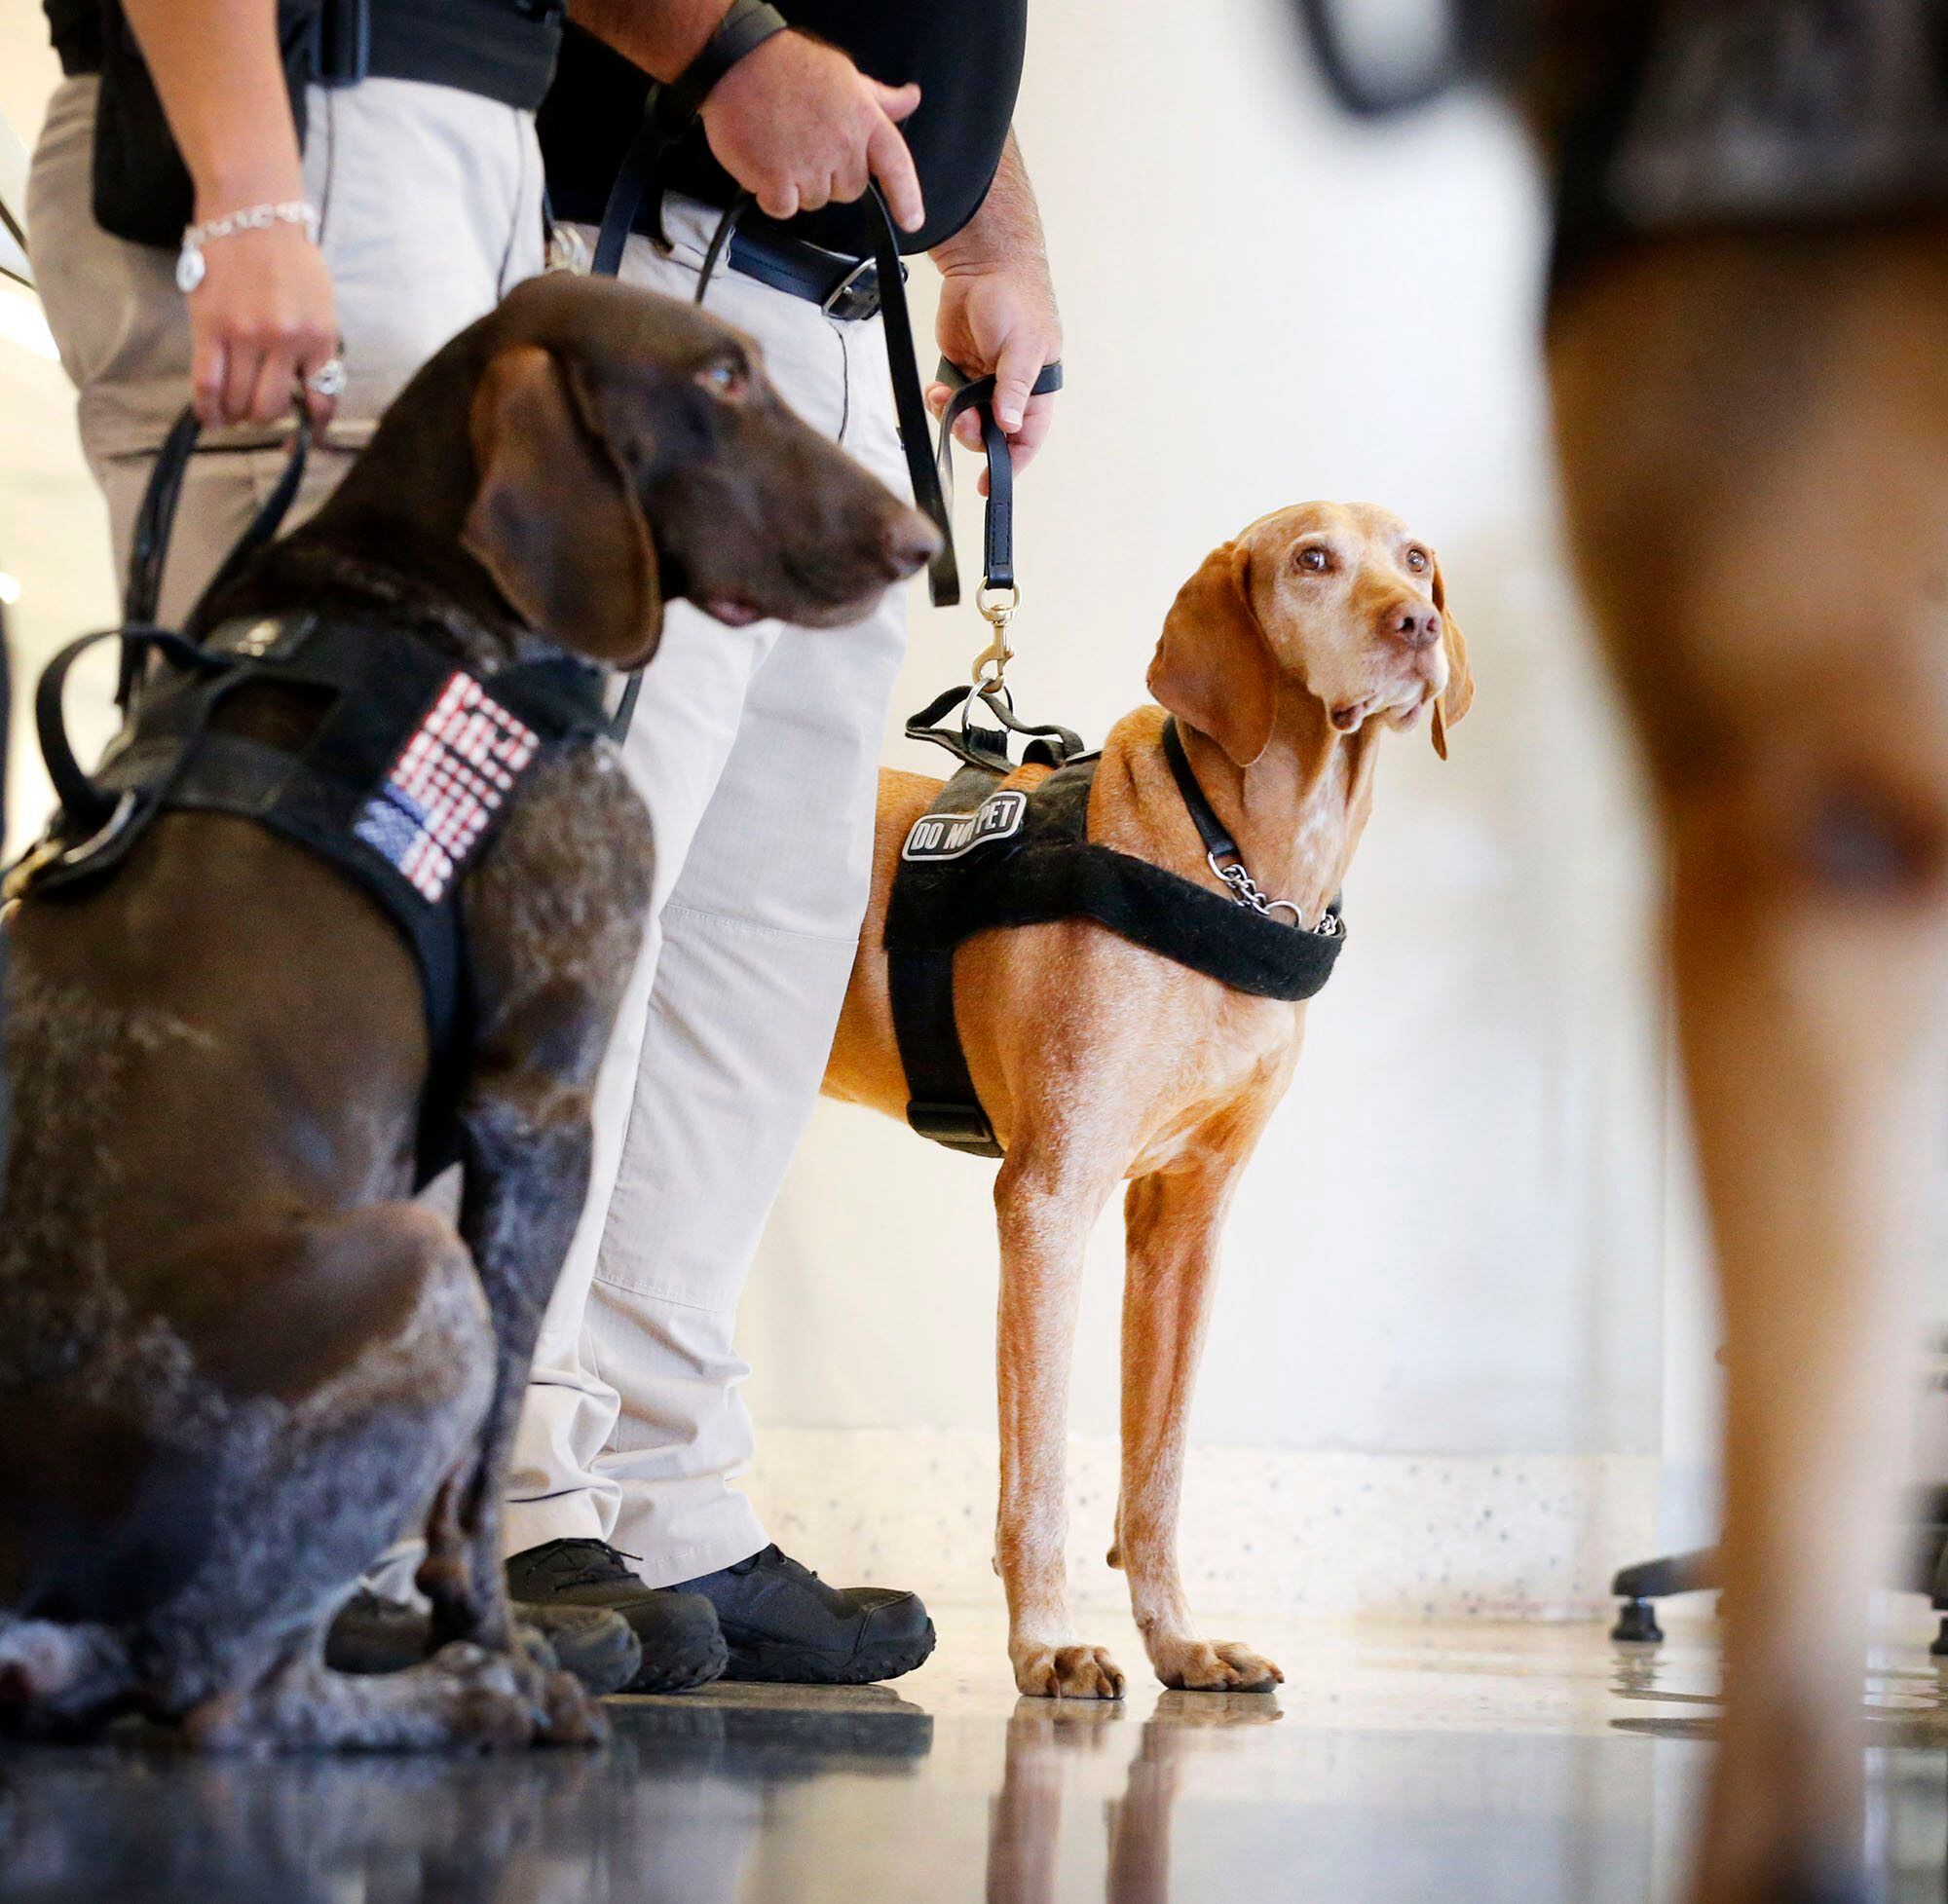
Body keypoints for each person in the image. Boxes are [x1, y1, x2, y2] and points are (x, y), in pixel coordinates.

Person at [23, 0, 650, 1698]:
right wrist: (251, 193)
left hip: (410, 132)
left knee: (367, 955)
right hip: (310, 121)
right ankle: (239, 1567)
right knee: (276, 948)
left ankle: (308, 1545)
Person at [500, 0, 1062, 1689]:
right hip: (657, 271)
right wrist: (731, 49)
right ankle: (517, 1493)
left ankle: (667, 1493)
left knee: (765, 951)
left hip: (845, 330)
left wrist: (995, 246)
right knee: (586, 918)